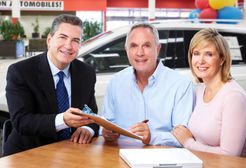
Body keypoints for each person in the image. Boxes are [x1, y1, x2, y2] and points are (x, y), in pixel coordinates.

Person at [4, 14, 99, 156]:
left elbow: (91, 114)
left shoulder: (86, 73)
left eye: (75, 40)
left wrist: (88, 129)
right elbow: (21, 121)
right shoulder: (21, 72)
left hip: (71, 153)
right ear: (49, 40)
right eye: (63, 37)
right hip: (28, 154)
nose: (68, 45)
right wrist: (63, 120)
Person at [101, 23, 195, 146]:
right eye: (134, 46)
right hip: (119, 155)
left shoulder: (181, 85)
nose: (140, 53)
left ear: (158, 49)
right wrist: (106, 132)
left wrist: (152, 137)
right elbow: (106, 122)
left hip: (162, 158)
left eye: (146, 45)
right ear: (126, 50)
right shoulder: (115, 82)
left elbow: (184, 137)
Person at [172, 28, 246, 158]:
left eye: (209, 54)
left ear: (222, 59)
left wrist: (188, 143)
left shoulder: (233, 97)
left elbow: (229, 155)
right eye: (196, 53)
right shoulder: (198, 90)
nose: (200, 60)